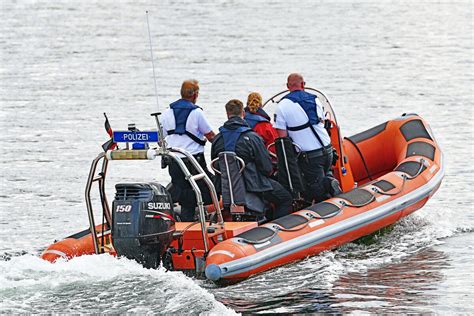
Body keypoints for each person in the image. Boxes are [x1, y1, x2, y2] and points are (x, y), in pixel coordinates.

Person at [211, 99, 292, 220]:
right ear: (243, 113)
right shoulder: (252, 137)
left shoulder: (217, 139)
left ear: (227, 114)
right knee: (285, 198)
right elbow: (266, 167)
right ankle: (277, 228)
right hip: (253, 185)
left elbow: (215, 165)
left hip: (226, 187)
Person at [273, 73, 342, 203]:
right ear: (303, 84)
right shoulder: (315, 100)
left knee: (317, 188)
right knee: (325, 172)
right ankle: (330, 182)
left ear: (288, 86)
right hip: (327, 150)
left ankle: (327, 187)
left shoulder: (282, 106)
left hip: (310, 156)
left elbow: (282, 138)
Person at [160, 79, 215, 221]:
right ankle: (195, 220)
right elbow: (210, 136)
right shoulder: (197, 113)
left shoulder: (167, 112)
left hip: (174, 161)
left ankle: (185, 217)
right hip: (193, 160)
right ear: (195, 95)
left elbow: (160, 137)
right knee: (208, 186)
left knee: (181, 188)